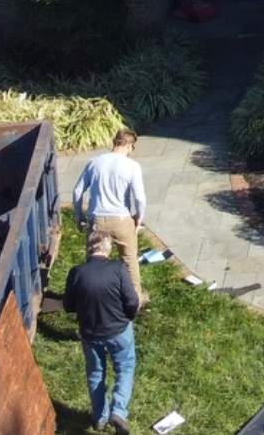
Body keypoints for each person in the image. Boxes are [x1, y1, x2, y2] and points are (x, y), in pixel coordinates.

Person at [69, 231, 144, 432]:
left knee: (95, 373)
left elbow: (68, 305)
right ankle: (118, 412)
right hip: (119, 330)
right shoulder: (118, 269)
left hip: (90, 333)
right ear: (107, 247)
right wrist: (129, 317)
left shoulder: (77, 273)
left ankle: (99, 418)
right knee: (125, 368)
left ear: (89, 248)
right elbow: (132, 301)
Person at [73, 129, 153, 304]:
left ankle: (94, 298)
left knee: (94, 259)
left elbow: (77, 191)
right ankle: (135, 299)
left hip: (97, 219)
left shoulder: (94, 163)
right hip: (122, 220)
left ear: (114, 142)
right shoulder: (132, 166)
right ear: (130, 146)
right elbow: (140, 197)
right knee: (129, 260)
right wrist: (139, 217)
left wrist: (79, 216)